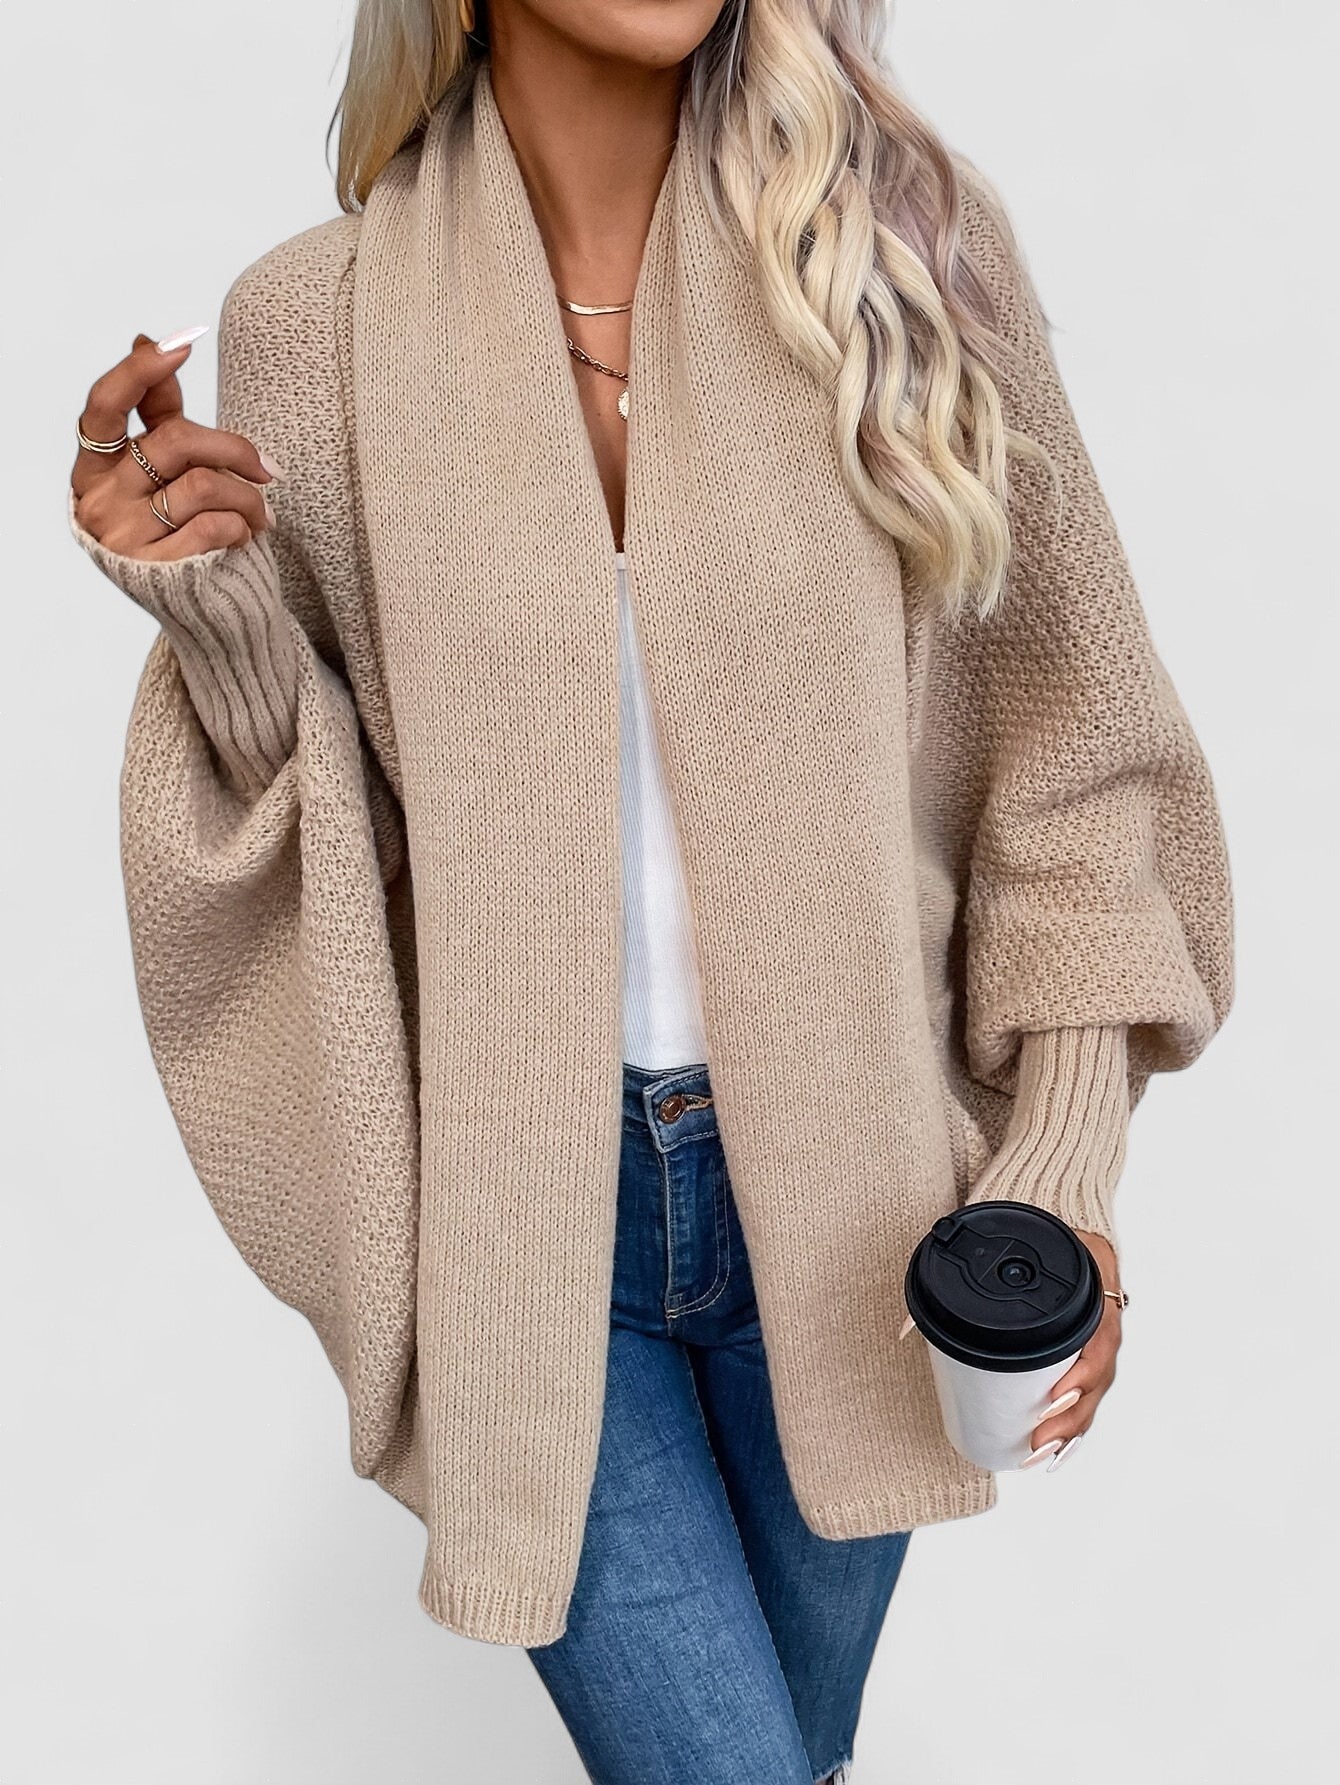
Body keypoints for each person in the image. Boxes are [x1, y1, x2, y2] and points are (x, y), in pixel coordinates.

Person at [64, 3, 1234, 1781]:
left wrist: (1060, 1163)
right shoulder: (317, 321)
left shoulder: (897, 252)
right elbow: (329, 840)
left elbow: (1078, 748)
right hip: (528, 1232)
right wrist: (216, 611)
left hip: (857, 1220)